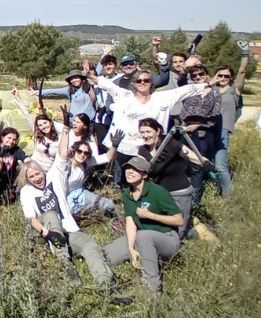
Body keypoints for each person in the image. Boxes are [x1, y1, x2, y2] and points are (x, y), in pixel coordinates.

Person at [17, 147, 132, 305]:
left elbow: (62, 154)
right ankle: (66, 266)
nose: (36, 178)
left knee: (90, 245)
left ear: (42, 172)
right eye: (32, 176)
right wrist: (48, 233)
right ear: (27, 179)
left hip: (67, 231)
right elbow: (31, 219)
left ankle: (108, 286)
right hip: (44, 233)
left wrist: (65, 127)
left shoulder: (54, 179)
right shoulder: (27, 192)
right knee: (51, 215)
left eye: (37, 173)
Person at [83, 59, 209, 187]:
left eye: (146, 80)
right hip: (126, 147)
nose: (142, 83)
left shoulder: (162, 98)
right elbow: (107, 85)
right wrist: (90, 75)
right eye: (139, 81)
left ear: (151, 83)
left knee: (148, 179)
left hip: (150, 148)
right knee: (127, 180)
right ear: (134, 83)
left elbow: (184, 91)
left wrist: (209, 84)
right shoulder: (125, 95)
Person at [102, 157, 184, 293]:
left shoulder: (158, 191)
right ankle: (104, 284)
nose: (129, 172)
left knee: (144, 236)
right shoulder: (126, 194)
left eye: (135, 169)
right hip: (141, 237)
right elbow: (130, 223)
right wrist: (131, 248)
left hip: (167, 239)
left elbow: (179, 220)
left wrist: (151, 215)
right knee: (105, 255)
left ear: (144, 174)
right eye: (128, 169)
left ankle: (153, 290)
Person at [137, 118, 211, 239]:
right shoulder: (143, 150)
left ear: (158, 131)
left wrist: (205, 163)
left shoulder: (171, 144)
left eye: (148, 132)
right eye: (142, 132)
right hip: (160, 195)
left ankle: (195, 232)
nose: (145, 135)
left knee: (179, 233)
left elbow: (193, 156)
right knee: (163, 228)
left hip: (179, 193)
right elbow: (139, 170)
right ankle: (189, 224)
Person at [180, 60, 222, 205]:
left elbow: (214, 116)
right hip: (186, 131)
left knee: (198, 166)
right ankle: (181, 196)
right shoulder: (189, 90)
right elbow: (180, 80)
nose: (198, 77)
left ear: (206, 75)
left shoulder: (215, 94)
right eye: (194, 75)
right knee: (184, 163)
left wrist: (198, 125)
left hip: (204, 133)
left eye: (201, 74)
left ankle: (194, 201)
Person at [212, 50, 248, 199]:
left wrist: (245, 54)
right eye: (220, 75)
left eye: (226, 76)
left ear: (231, 78)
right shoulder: (212, 89)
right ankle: (212, 190)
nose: (223, 78)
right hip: (207, 130)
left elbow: (242, 71)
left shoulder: (234, 91)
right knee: (205, 164)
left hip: (222, 131)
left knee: (220, 166)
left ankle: (227, 197)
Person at [12, 87, 63, 172]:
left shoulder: (59, 138)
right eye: (40, 125)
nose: (43, 126)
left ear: (50, 123)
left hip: (49, 171)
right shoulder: (38, 135)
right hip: (33, 168)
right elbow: (27, 114)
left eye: (45, 123)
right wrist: (18, 97)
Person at [0, 127, 27, 201]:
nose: (11, 141)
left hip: (10, 180)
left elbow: (27, 160)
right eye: (9, 138)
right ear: (2, 137)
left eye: (14, 140)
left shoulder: (16, 149)